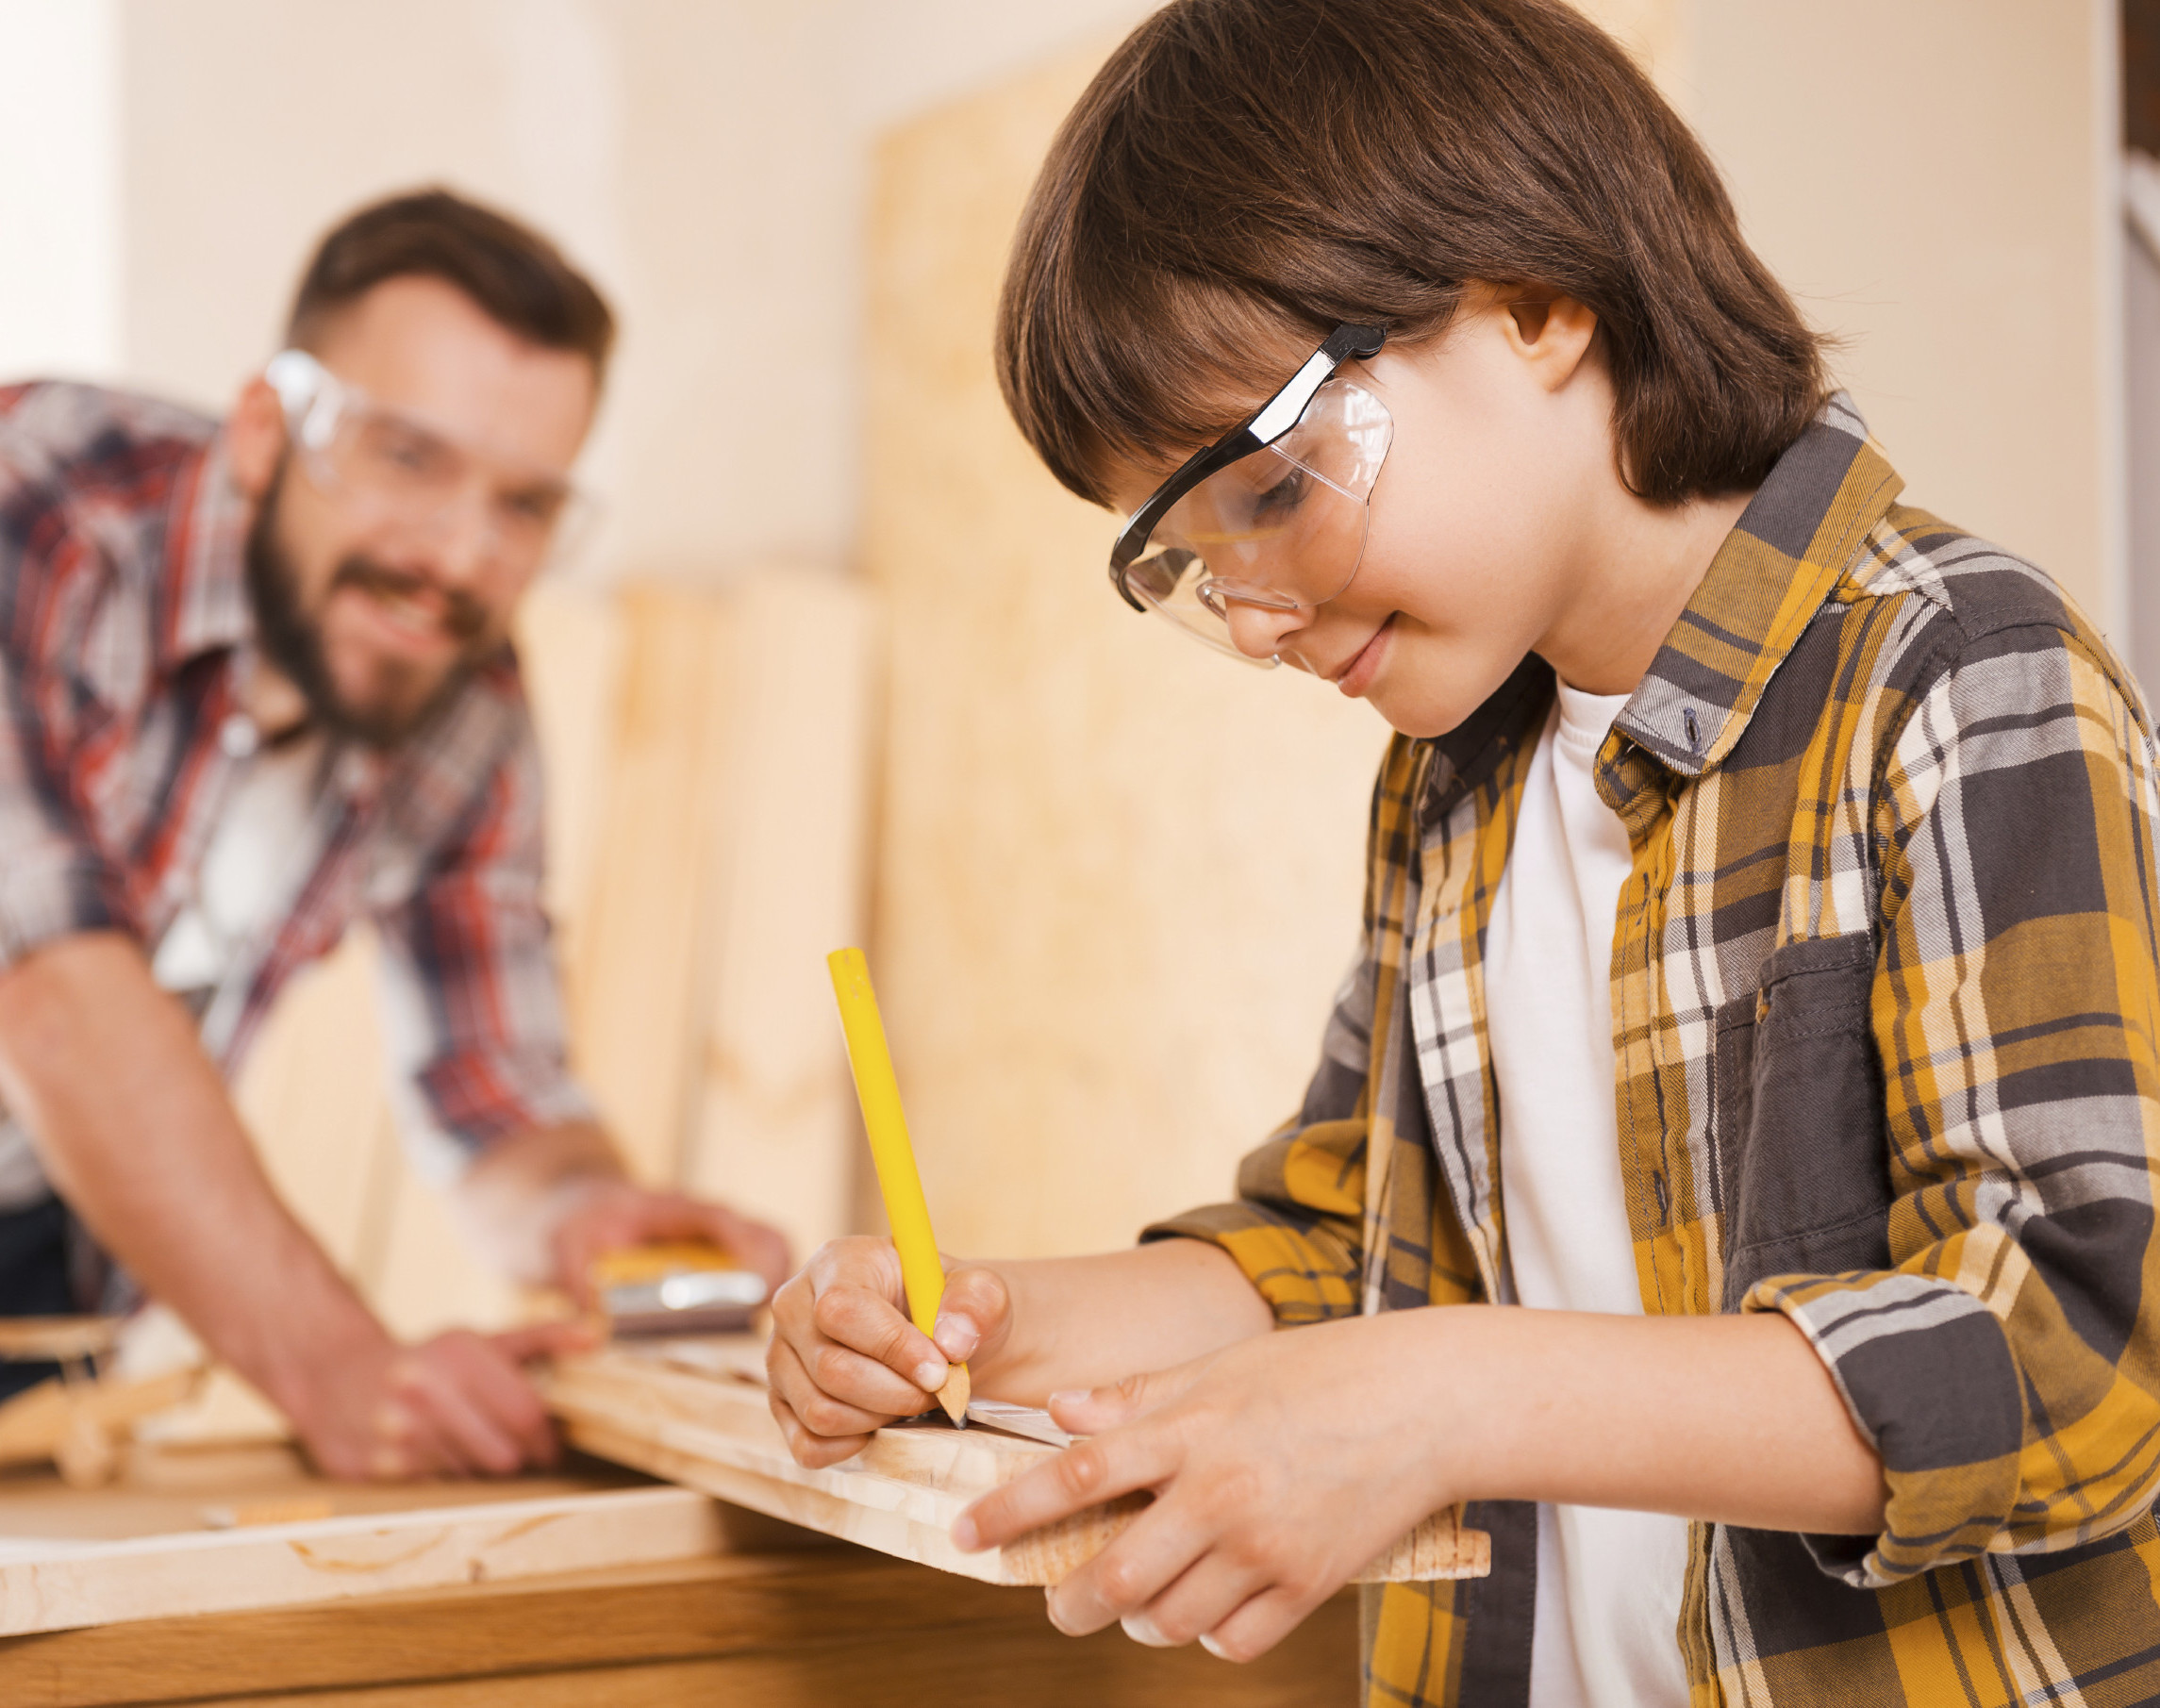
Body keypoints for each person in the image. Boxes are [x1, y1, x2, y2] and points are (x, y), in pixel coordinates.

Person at [764, 1, 2160, 1700]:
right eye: (1192, 564)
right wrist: (971, 1324)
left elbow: (2078, 1357)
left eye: (1269, 491)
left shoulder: (1950, 673)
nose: (1261, 614)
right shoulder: (1457, 781)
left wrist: (1441, 1397)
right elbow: (1345, 1250)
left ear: (1536, 303)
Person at [0, 189, 788, 1481]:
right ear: (261, 429)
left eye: (522, 506)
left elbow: (494, 1097)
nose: (458, 560)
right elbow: (51, 1000)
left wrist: (587, 1214)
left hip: (25, 1284)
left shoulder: (466, 699)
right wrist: (342, 1368)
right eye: (407, 459)